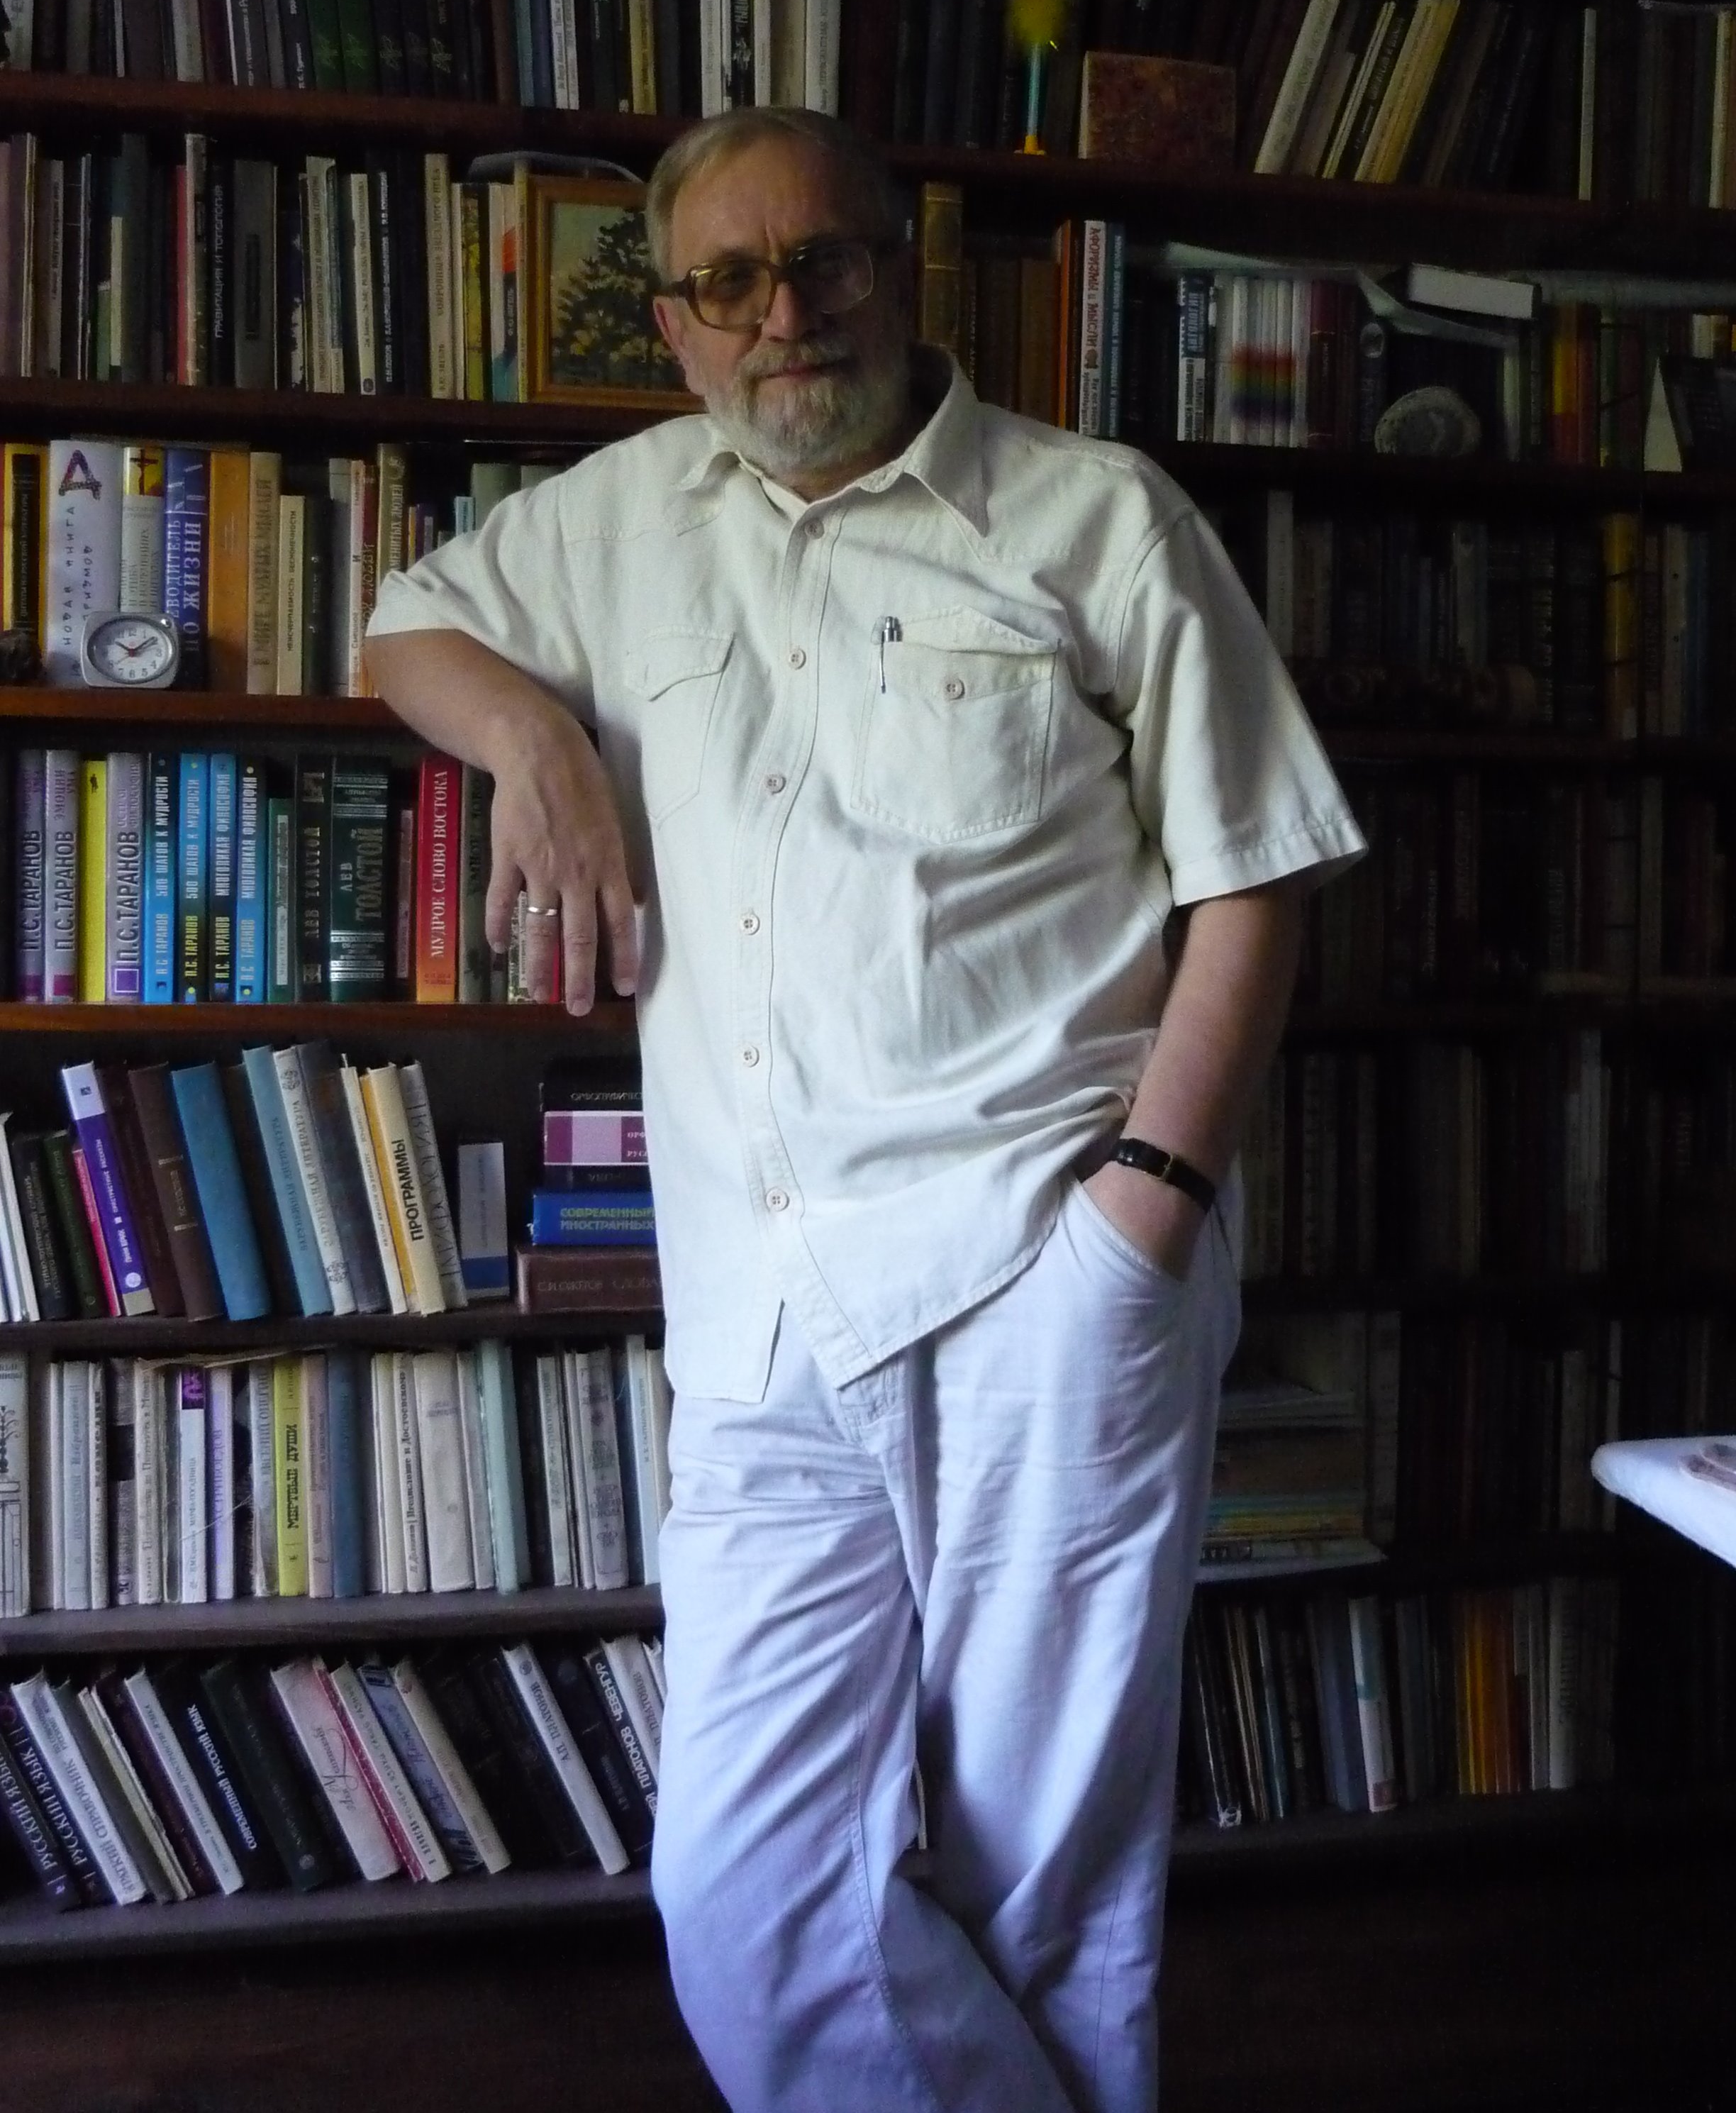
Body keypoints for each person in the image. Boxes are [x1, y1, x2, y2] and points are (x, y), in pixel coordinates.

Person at [363, 106, 1365, 2113]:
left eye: (822, 261)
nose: (784, 314)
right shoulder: (617, 521)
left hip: (1044, 1269)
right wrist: (535, 734)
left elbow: (1254, 869)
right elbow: (399, 625)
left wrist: (1148, 1206)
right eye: (729, 281)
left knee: (1045, 1883)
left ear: (904, 272)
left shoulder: (1097, 517)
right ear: (673, 324)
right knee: (746, 1897)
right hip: (761, 1316)